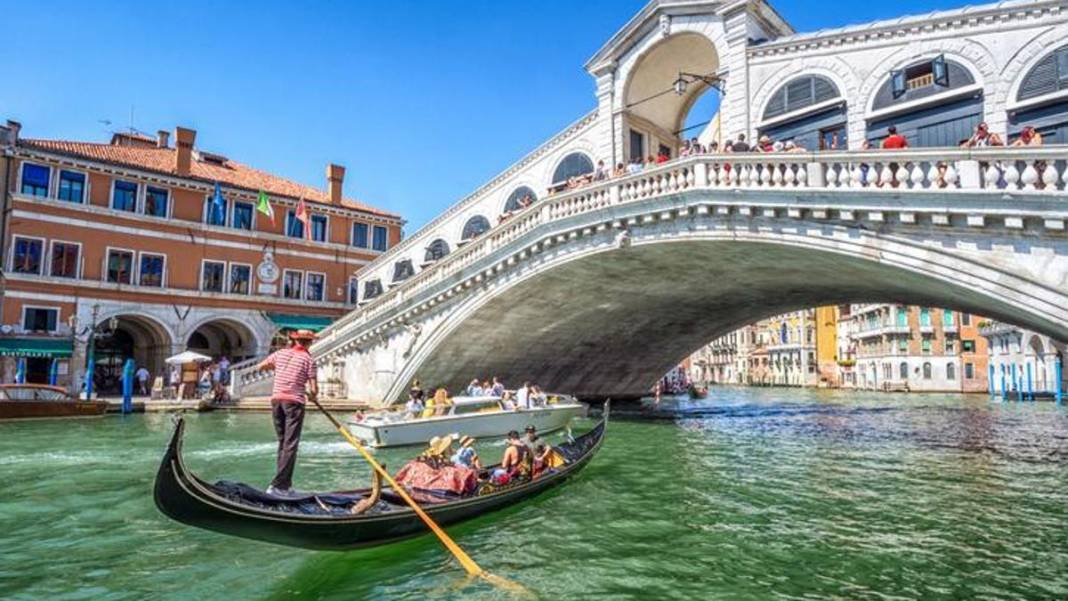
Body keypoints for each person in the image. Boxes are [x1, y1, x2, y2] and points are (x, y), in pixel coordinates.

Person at [255, 329, 318, 496]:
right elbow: (314, 389)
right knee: (290, 444)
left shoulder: (280, 354)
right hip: (294, 403)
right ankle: (279, 486)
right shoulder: (308, 360)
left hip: (276, 400)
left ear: (295, 340)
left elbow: (261, 366)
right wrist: (313, 395)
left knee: (283, 443)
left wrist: (278, 369)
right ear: (309, 342)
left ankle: (285, 485)